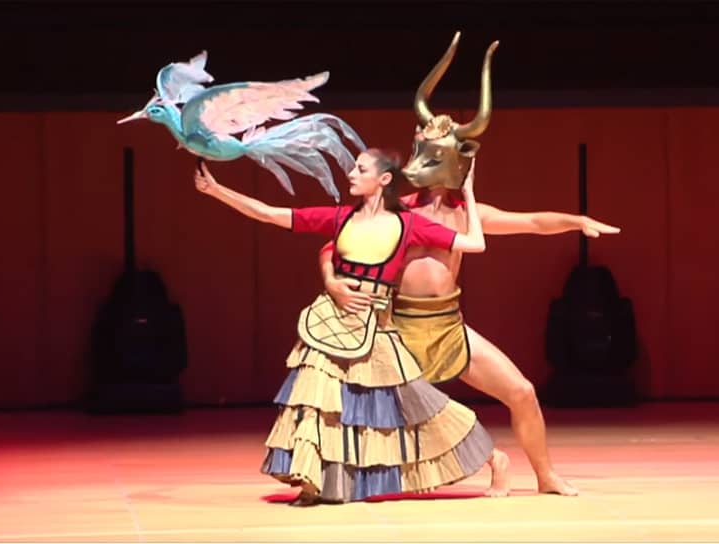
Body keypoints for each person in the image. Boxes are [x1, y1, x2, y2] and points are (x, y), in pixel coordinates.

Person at [193, 150, 509, 504]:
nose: (351, 173)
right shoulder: (341, 217)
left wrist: (468, 192)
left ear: (384, 179)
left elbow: (476, 244)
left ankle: (493, 457)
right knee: (315, 398)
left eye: (361, 168)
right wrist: (217, 191)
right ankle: (315, 481)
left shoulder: (408, 224)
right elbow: (270, 214)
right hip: (331, 321)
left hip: (376, 326)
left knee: (417, 404)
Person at [319, 160, 620, 496]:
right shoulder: (398, 211)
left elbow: (533, 222)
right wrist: (332, 281)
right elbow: (334, 246)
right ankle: (337, 477)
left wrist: (576, 221)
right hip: (401, 329)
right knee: (371, 407)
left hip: (448, 325)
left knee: (522, 393)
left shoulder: (469, 214)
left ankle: (545, 474)